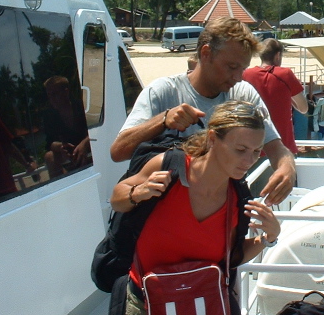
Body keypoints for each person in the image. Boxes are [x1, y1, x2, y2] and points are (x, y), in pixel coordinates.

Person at [111, 100, 280, 315]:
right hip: (146, 304)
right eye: (240, 149)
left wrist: (269, 238)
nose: (249, 160)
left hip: (202, 304)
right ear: (212, 139)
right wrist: (138, 193)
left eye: (257, 152)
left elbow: (232, 257)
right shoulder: (169, 168)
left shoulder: (237, 197)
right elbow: (117, 198)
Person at [110, 17, 295, 206]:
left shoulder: (243, 94)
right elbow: (118, 152)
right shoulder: (163, 91)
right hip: (165, 215)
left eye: (243, 69)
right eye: (232, 67)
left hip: (216, 216)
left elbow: (275, 146)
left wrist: (287, 166)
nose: (238, 77)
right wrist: (163, 120)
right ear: (206, 53)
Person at [243, 39, 309, 153]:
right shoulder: (285, 74)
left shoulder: (246, 74)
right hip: (283, 147)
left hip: (253, 150)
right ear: (278, 55)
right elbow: (304, 109)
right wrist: (289, 97)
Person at [43, 76, 92, 178]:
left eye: (55, 94)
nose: (52, 99)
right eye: (49, 95)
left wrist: (84, 144)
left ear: (66, 92)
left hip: (91, 149)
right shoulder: (50, 116)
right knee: (49, 156)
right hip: (67, 157)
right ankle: (61, 186)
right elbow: (50, 143)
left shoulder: (83, 107)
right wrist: (61, 147)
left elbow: (98, 129)